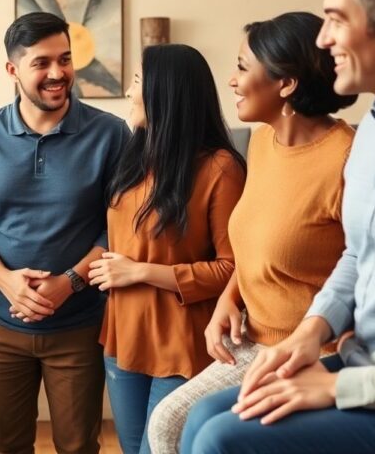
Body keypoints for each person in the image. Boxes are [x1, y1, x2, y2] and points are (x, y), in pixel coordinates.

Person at [179, 0, 375, 453]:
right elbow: (359, 252)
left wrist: (334, 374)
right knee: (200, 420)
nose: (324, 40)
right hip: (360, 358)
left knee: (220, 438)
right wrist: (311, 332)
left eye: (335, 21)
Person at [147, 12, 356, 454]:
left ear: (286, 84)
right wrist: (228, 299)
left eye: (243, 67)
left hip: (312, 354)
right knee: (167, 424)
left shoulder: (347, 158)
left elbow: (362, 269)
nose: (231, 79)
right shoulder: (261, 143)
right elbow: (254, 245)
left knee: (196, 431)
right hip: (251, 343)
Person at [0, 12, 131, 453]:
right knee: (9, 445)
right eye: (42, 63)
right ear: (12, 70)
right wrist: (5, 280)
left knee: (78, 445)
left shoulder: (110, 133)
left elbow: (122, 227)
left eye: (65, 59)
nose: (58, 73)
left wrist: (68, 283)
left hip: (80, 321)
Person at [92, 43, 247, 454]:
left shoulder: (220, 168)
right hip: (122, 336)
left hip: (180, 342)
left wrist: (140, 271)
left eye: (138, 80)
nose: (128, 90)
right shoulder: (134, 157)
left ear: (167, 90)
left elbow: (234, 268)